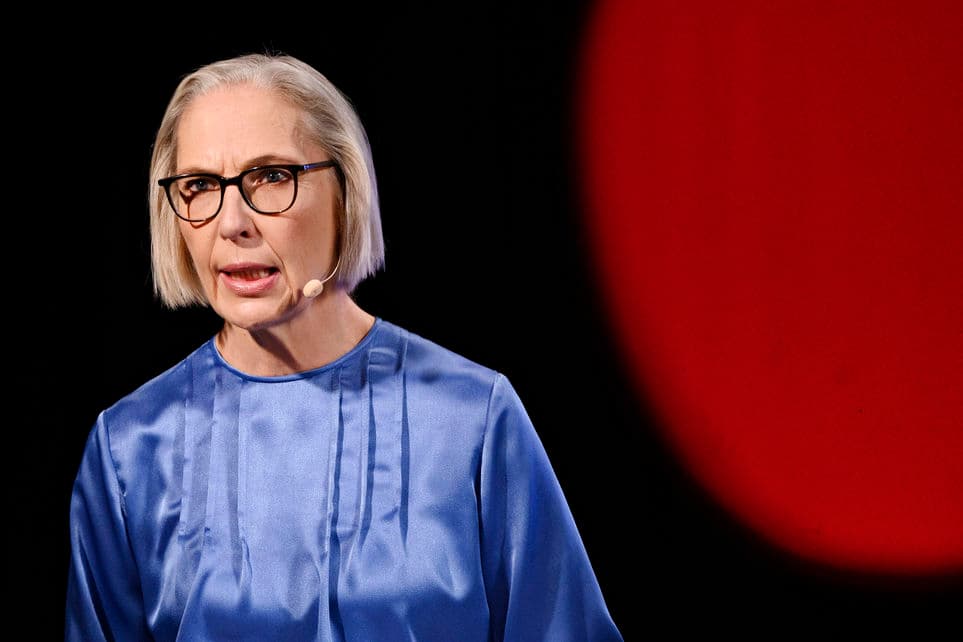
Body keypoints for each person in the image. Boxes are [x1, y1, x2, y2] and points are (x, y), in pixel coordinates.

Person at [64, 52, 622, 641]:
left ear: (346, 191)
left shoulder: (472, 419)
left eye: (271, 176)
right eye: (200, 186)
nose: (232, 223)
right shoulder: (130, 448)